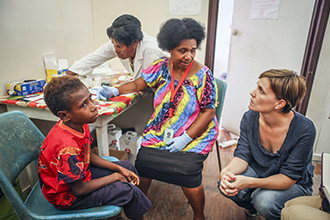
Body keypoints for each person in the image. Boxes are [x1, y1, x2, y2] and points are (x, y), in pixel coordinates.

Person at [97, 18, 218, 220]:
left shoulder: (203, 75)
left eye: (193, 50)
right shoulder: (161, 66)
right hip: (161, 129)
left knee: (188, 172)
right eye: (182, 50)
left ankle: (199, 216)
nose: (189, 56)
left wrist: (186, 138)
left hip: (195, 134)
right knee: (143, 163)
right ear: (170, 48)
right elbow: (137, 85)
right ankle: (138, 211)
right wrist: (115, 90)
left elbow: (209, 112)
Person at [38, 76, 151, 220]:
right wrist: (115, 177)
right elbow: (79, 190)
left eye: (90, 99)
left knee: (127, 167)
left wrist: (119, 169)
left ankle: (118, 213)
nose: (93, 107)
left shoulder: (78, 124)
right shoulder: (67, 148)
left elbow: (87, 155)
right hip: (67, 197)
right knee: (126, 190)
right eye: (83, 105)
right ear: (65, 116)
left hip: (80, 177)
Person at [218, 69, 316, 220]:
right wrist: (226, 173)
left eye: (261, 91)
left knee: (264, 201)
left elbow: (288, 178)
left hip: (292, 183)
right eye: (257, 86)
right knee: (226, 185)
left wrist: (248, 182)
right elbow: (242, 155)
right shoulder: (250, 118)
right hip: (260, 170)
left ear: (279, 103)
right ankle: (253, 208)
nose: (252, 92)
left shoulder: (304, 129)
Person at [66, 14, 168, 79]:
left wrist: (116, 90)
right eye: (114, 45)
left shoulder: (153, 50)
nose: (116, 50)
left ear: (135, 42)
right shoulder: (119, 43)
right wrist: (70, 73)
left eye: (119, 46)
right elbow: (95, 57)